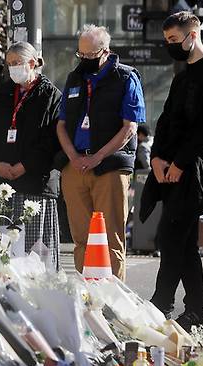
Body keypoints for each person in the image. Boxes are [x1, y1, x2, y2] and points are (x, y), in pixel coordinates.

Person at [141, 12, 203, 331]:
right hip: (172, 166)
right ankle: (195, 309)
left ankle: (161, 304)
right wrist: (157, 158)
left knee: (171, 235)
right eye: (167, 40)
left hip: (198, 165)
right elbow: (166, 120)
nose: (170, 46)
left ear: (192, 34)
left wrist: (180, 162)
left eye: (173, 39)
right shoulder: (182, 76)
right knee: (179, 239)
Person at [56, 25, 146, 280]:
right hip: (75, 166)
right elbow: (61, 125)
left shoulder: (126, 77)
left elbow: (130, 128)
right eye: (80, 55)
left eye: (90, 55)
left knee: (111, 238)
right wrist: (72, 156)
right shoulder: (74, 78)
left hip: (109, 167)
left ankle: (113, 303)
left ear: (105, 51)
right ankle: (87, 296)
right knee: (81, 238)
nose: (84, 60)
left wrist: (98, 157)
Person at [0, 42, 63, 270]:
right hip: (0, 183)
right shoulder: (0, 95)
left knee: (34, 254)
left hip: (35, 184)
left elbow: (54, 139)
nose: (12, 68)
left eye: (17, 63)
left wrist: (26, 165)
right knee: (1, 251)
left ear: (32, 63)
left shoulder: (51, 96)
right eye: (9, 64)